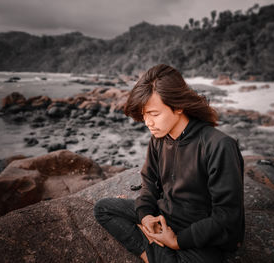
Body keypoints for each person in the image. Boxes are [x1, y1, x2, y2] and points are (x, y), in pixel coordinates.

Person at [94, 64, 244, 263]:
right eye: (144, 115)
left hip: (199, 230)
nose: (148, 122)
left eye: (154, 114)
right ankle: (154, 253)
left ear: (179, 106)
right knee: (104, 209)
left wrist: (178, 241)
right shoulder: (158, 139)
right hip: (164, 216)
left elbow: (227, 217)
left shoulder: (219, 145)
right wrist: (146, 215)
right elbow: (149, 182)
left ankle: (158, 251)